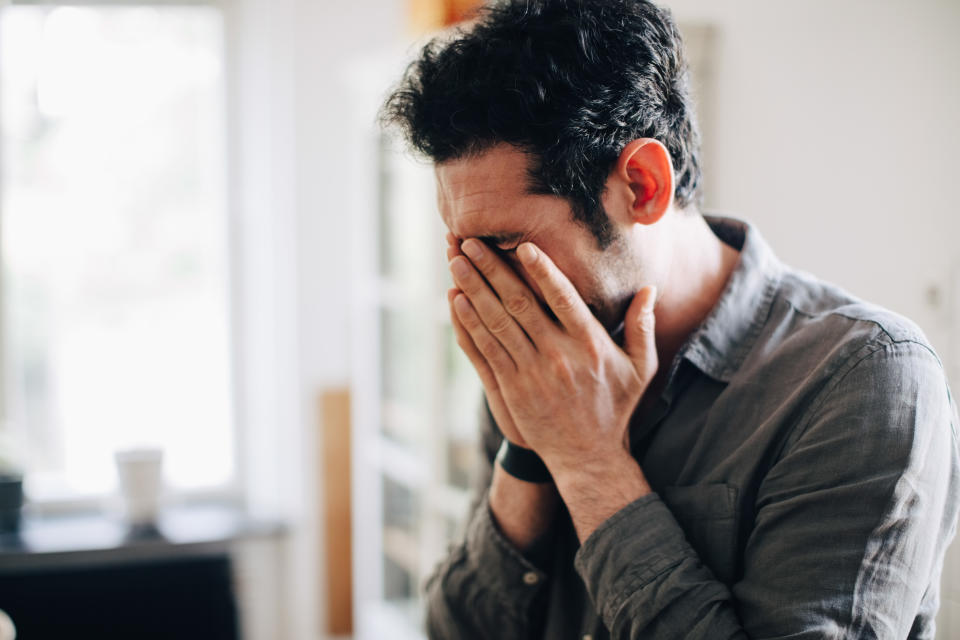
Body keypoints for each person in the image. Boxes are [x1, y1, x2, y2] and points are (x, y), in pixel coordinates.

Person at [379, 1, 960, 638]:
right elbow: (454, 629)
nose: (477, 282)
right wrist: (530, 450)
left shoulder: (864, 379)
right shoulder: (539, 358)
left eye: (504, 243)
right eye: (460, 247)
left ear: (643, 186)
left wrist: (589, 462)